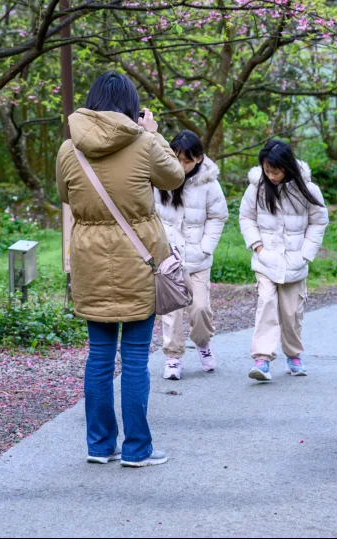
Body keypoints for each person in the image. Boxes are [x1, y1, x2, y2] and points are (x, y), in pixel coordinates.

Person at [56, 71, 184, 467]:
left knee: (98, 356)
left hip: (89, 259)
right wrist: (155, 133)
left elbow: (65, 195)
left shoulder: (68, 148)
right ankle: (137, 449)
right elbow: (174, 177)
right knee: (133, 358)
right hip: (138, 258)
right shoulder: (144, 143)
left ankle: (98, 445)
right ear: (132, 106)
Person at [239, 139, 329, 382]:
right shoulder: (256, 187)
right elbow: (246, 217)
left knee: (291, 312)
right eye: (267, 170)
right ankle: (262, 360)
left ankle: (293, 355)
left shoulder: (308, 189)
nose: (272, 176)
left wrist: (305, 254)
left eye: (276, 171)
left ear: (287, 167)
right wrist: (257, 246)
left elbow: (319, 221)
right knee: (266, 303)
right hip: (265, 260)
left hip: (295, 262)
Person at [154, 130, 228, 380]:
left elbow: (218, 216)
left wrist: (206, 247)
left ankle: (202, 343)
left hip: (198, 259)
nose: (182, 166)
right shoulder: (160, 179)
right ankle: (173, 357)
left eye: (188, 160)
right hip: (169, 259)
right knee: (171, 312)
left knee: (200, 308)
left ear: (198, 158)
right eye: (178, 159)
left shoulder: (209, 183)